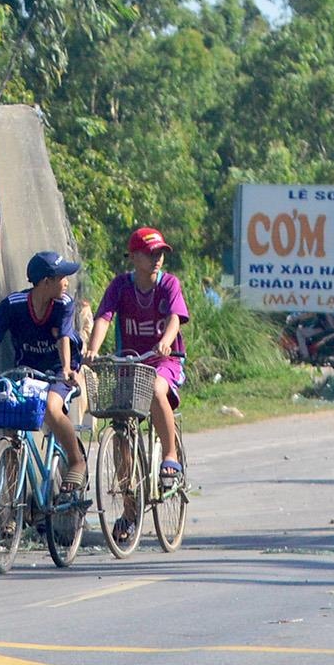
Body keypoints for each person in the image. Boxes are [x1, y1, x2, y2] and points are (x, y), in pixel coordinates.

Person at [87, 226, 189, 548]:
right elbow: (104, 317)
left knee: (159, 390)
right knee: (120, 429)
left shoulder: (169, 284)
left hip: (163, 361)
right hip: (129, 364)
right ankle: (130, 512)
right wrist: (92, 349)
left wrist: (164, 342)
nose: (156, 259)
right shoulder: (120, 286)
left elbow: (175, 318)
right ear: (133, 257)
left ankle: (169, 456)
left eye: (160, 253)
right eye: (149, 253)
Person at [0, 251, 88, 492]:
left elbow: (64, 336)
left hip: (58, 369)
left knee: (52, 409)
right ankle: (10, 506)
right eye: (63, 276)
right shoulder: (13, 305)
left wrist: (65, 369)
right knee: (11, 425)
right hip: (26, 371)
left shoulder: (63, 304)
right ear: (46, 282)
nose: (67, 282)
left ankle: (77, 461)